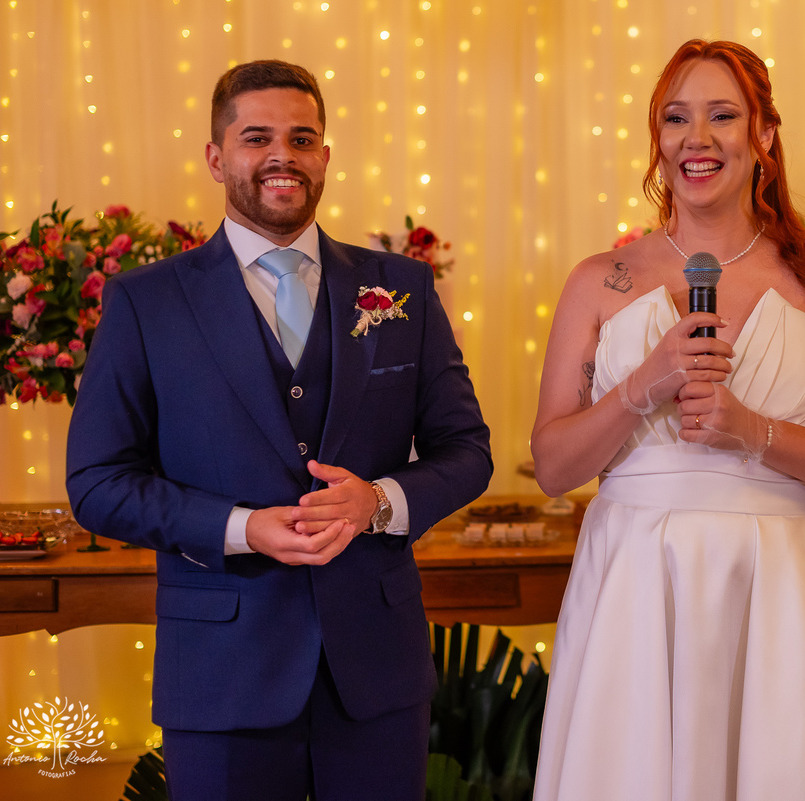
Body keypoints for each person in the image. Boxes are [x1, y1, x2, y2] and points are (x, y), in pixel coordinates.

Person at [66, 60, 492, 801]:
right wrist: (240, 526)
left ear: (325, 155)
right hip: (222, 671)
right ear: (216, 157)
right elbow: (97, 482)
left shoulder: (402, 289)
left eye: (302, 138)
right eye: (256, 137)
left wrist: (379, 501)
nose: (281, 156)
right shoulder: (146, 302)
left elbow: (468, 450)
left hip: (376, 671)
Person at [531, 40, 805, 800]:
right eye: (676, 118)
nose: (696, 139)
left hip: (779, 589)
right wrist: (644, 385)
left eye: (722, 116)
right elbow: (552, 467)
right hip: (635, 591)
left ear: (764, 134)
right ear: (657, 139)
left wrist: (753, 432)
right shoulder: (598, 282)